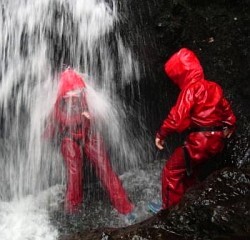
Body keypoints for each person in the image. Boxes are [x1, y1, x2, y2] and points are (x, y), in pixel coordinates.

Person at [148, 48, 236, 213]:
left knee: (171, 171)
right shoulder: (214, 87)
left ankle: (169, 212)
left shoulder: (190, 89)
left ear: (181, 74)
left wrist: (161, 134)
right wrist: (230, 125)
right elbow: (227, 110)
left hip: (199, 142)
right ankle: (191, 203)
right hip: (217, 141)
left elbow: (176, 117)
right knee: (191, 170)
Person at [44, 68, 136, 223]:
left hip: (89, 134)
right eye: (70, 95)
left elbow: (103, 114)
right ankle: (73, 209)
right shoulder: (56, 106)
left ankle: (125, 208)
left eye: (77, 93)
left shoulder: (87, 98)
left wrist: (91, 115)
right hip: (70, 139)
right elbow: (51, 128)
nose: (74, 97)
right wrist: (45, 136)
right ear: (63, 94)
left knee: (105, 169)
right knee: (74, 173)